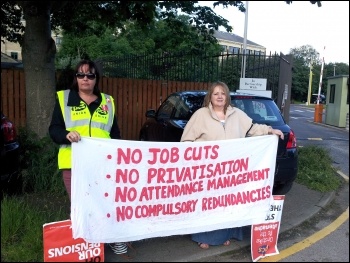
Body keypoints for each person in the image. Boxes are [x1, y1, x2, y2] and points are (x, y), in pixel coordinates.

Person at [180, 81, 284, 249]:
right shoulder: (201, 115)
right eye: (216, 93)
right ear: (210, 97)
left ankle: (224, 236)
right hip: (209, 171)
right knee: (209, 205)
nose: (220, 96)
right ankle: (204, 237)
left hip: (232, 172)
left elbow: (252, 128)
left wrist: (270, 130)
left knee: (227, 204)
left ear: (227, 96)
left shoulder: (237, 114)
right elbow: (186, 140)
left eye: (223, 93)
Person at [48, 59, 133, 259]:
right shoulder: (64, 99)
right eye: (81, 75)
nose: (85, 79)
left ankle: (112, 238)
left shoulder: (108, 102)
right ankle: (87, 246)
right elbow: (54, 130)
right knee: (80, 206)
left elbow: (115, 134)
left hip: (103, 165)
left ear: (96, 79)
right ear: (75, 78)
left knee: (106, 203)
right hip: (73, 164)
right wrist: (66, 135)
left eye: (90, 75)